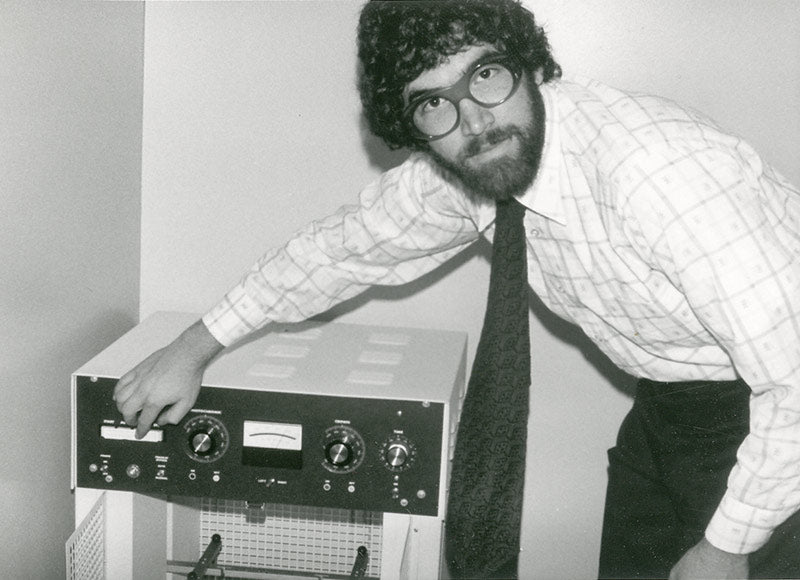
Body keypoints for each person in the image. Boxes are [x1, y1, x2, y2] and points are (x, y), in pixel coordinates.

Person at [113, 0, 800, 578]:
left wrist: (725, 546)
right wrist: (196, 344)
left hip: (778, 429)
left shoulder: (661, 176)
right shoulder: (466, 174)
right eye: (434, 104)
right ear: (412, 126)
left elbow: (794, 381)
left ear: (529, 66)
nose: (474, 121)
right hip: (666, 414)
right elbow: (339, 249)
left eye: (487, 75)